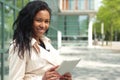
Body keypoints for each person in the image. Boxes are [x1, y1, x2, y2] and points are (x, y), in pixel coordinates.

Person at [8, 0, 72, 80]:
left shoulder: (46, 42)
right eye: (38, 20)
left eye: (46, 21)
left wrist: (63, 78)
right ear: (28, 21)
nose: (43, 25)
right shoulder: (18, 46)